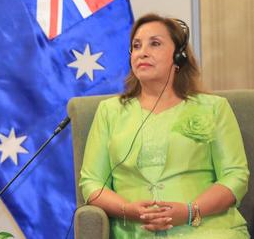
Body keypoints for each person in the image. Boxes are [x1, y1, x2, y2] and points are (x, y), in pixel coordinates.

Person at [79, 13, 249, 238]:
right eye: (136, 46)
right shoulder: (109, 112)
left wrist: (190, 211)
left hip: (206, 228)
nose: (143, 52)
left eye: (155, 44)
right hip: (135, 231)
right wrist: (127, 210)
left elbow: (235, 175)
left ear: (178, 57)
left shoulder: (214, 107)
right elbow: (91, 182)